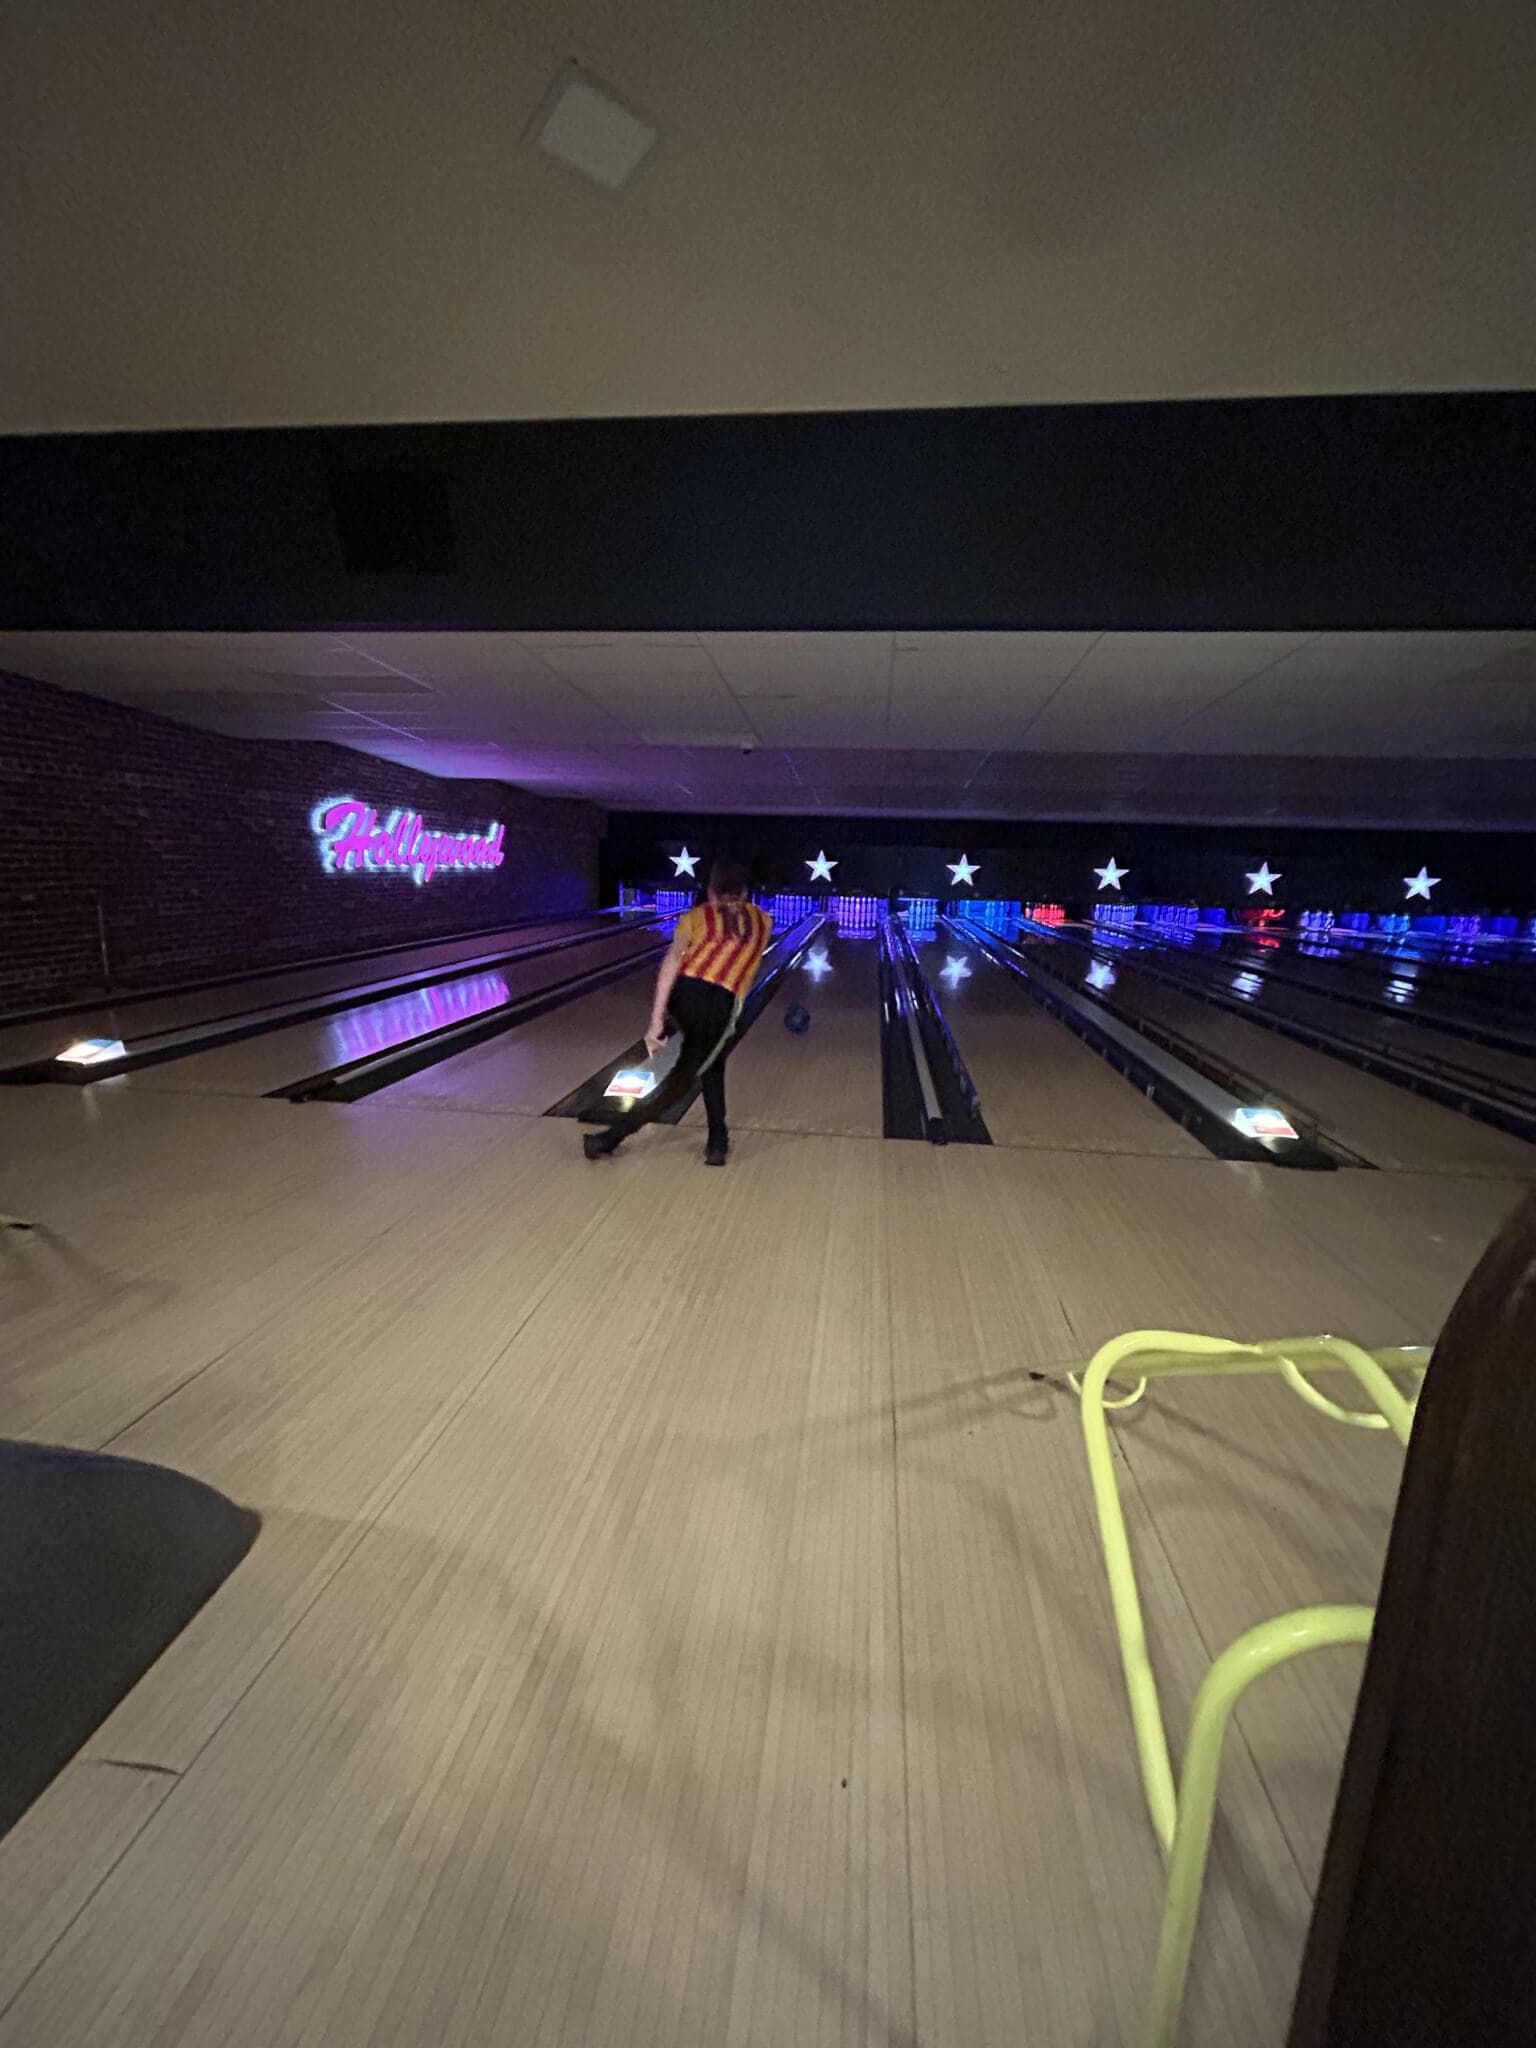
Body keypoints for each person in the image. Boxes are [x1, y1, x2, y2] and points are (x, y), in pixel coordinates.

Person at [584, 861, 772, 1167]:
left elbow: (672, 962)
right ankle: (610, 1138)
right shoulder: (764, 921)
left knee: (711, 1063)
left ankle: (718, 1140)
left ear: (710, 891)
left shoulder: (697, 916)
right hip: (719, 1006)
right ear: (746, 892)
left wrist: (657, 1020)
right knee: (681, 1081)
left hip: (684, 997)